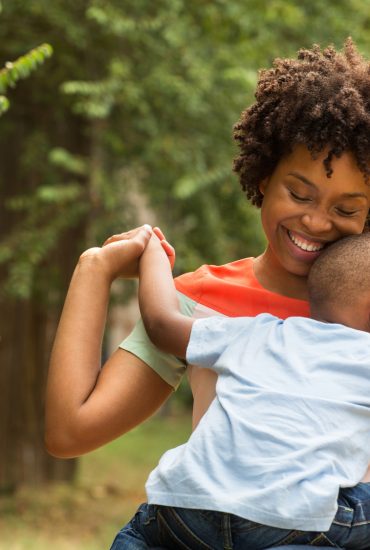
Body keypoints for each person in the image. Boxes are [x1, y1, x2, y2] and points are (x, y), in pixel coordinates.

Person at [44, 39, 370, 547]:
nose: (315, 220)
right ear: (263, 177)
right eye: (299, 193)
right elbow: (71, 432)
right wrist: (94, 269)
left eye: (347, 210)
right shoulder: (202, 302)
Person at [109, 229, 370, 549]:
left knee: (140, 532)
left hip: (186, 508)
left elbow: (162, 324)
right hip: (289, 520)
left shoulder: (257, 331)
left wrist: (153, 254)